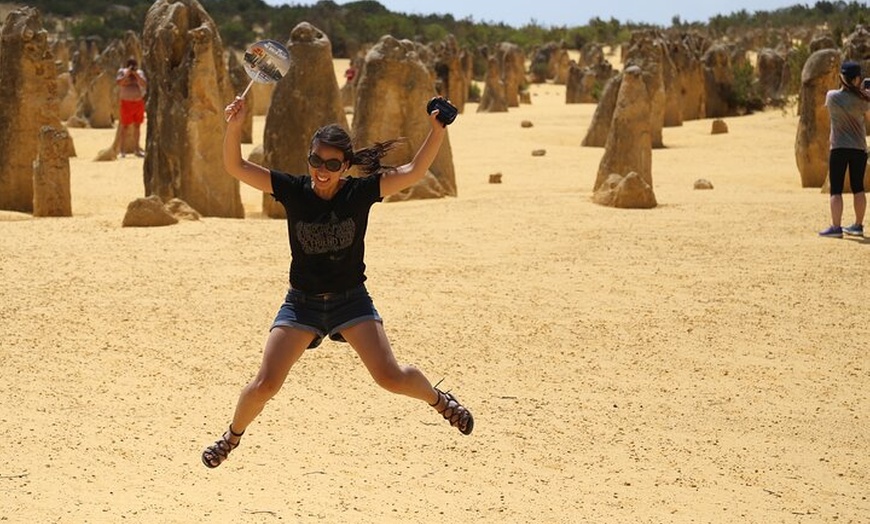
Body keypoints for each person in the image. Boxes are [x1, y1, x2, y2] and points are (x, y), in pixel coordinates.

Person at [201, 95, 473, 468]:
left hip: (351, 300)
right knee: (265, 384)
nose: (322, 170)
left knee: (390, 377)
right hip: (302, 304)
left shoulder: (358, 193)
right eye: (316, 161)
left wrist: (437, 131)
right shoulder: (293, 190)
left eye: (332, 164)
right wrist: (235, 126)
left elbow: (412, 171)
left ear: (345, 166)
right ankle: (230, 437)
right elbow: (235, 166)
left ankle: (440, 401)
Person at [819, 60, 869, 238]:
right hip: (859, 148)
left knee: (836, 189)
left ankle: (836, 227)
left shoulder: (832, 97)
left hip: (838, 147)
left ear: (842, 77)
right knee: (858, 188)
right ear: (857, 79)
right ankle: (858, 225)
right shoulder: (864, 100)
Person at [115, 57, 147, 158]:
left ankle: (137, 149)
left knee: (137, 126)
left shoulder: (140, 73)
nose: (132, 67)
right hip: (126, 103)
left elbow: (144, 84)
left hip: (138, 102)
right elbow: (119, 82)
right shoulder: (122, 72)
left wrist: (136, 75)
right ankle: (122, 150)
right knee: (124, 127)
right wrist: (127, 74)